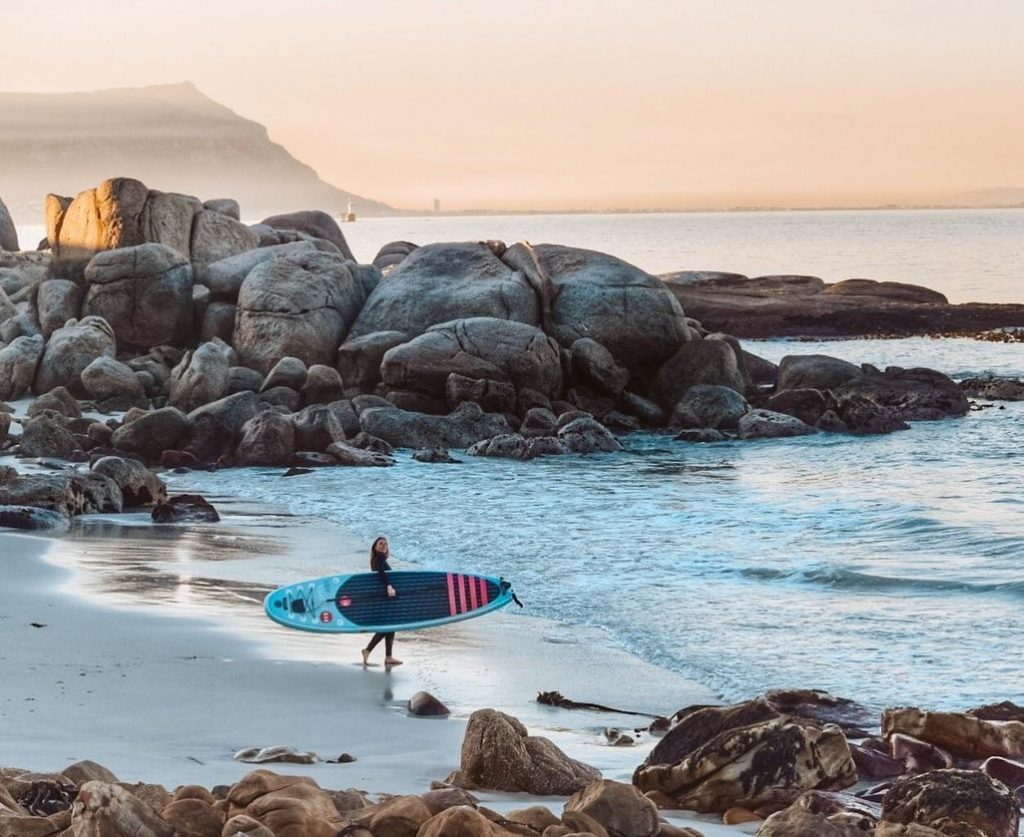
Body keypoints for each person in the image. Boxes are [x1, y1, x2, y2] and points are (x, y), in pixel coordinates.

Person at [361, 537, 403, 667]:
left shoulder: (378, 558)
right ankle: (368, 650)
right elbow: (381, 574)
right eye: (380, 543)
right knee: (388, 626)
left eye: (385, 544)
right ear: (375, 546)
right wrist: (389, 586)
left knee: (390, 625)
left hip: (384, 594)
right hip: (385, 594)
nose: (383, 545)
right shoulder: (379, 558)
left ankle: (388, 657)